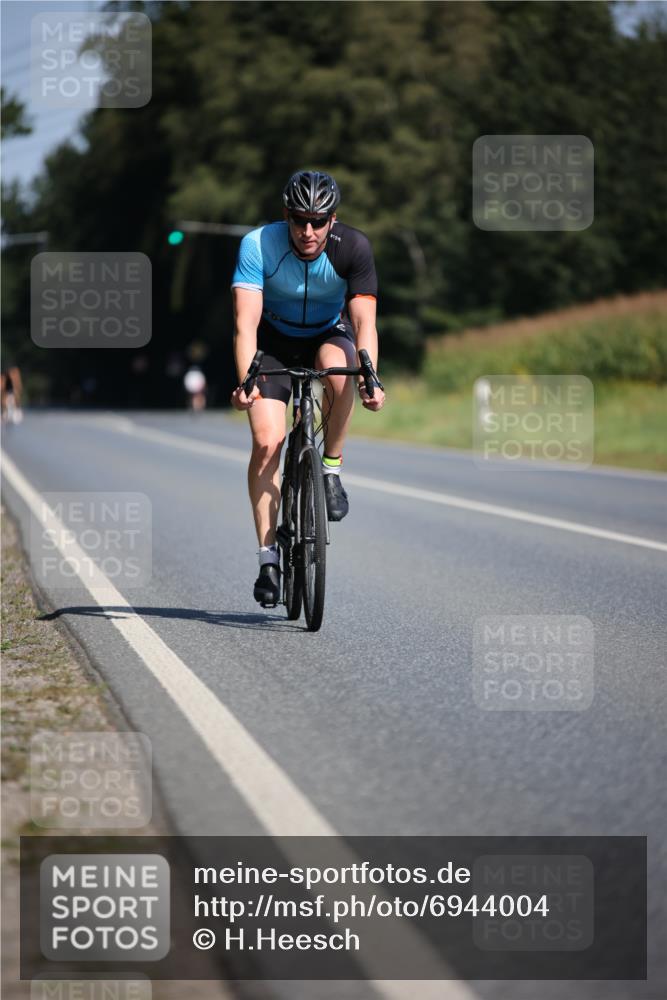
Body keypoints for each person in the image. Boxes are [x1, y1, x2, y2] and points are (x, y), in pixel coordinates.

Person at [230, 169, 386, 606]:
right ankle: (267, 559)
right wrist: (245, 382)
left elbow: (364, 324)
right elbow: (245, 325)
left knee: (342, 371)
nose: (308, 231)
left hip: (326, 334)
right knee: (267, 441)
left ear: (333, 220)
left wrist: (371, 375)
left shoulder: (353, 247)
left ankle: (331, 469)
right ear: (287, 216)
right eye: (300, 220)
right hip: (273, 345)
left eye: (319, 221)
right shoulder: (258, 245)